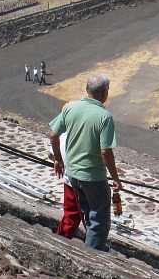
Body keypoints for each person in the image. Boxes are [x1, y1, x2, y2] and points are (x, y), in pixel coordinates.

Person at [49, 73, 121, 252]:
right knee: (99, 221)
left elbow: (53, 134)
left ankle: (89, 250)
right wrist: (115, 177)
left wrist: (58, 159)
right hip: (93, 176)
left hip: (73, 175)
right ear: (104, 92)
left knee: (87, 216)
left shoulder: (71, 108)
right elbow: (105, 151)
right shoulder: (104, 116)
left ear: (87, 90)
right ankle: (92, 257)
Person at [46, 128, 82, 239]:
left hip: (68, 179)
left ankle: (60, 240)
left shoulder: (63, 134)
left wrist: (59, 160)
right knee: (90, 218)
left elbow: (50, 154)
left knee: (70, 216)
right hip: (83, 180)